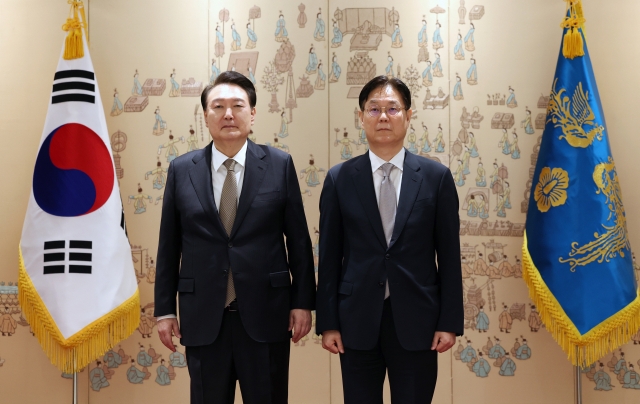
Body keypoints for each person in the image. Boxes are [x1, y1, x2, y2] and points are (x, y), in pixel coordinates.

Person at [155, 71, 316, 404]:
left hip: (266, 314)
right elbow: (169, 246)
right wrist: (165, 311)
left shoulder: (278, 164)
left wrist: (302, 302)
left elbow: (298, 241)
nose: (228, 114)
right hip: (203, 317)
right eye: (218, 106)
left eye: (237, 106)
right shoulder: (182, 169)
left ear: (252, 113)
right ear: (205, 116)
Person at [316, 76, 463, 404]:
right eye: (374, 109)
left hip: (419, 322)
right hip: (355, 322)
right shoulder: (340, 179)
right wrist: (328, 323)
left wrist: (449, 322)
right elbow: (329, 257)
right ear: (361, 117)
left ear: (409, 116)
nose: (383, 117)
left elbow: (450, 257)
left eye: (393, 109)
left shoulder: (436, 178)